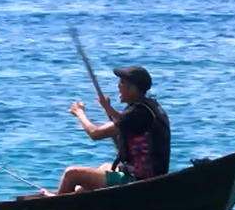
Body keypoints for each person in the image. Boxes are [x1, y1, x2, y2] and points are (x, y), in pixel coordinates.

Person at [47, 65, 171, 196]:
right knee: (102, 169)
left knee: (72, 174)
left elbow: (95, 133)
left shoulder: (138, 113)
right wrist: (107, 108)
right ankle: (74, 198)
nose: (118, 86)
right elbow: (125, 123)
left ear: (133, 88)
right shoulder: (148, 107)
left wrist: (79, 113)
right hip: (151, 176)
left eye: (122, 82)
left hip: (139, 181)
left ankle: (53, 203)